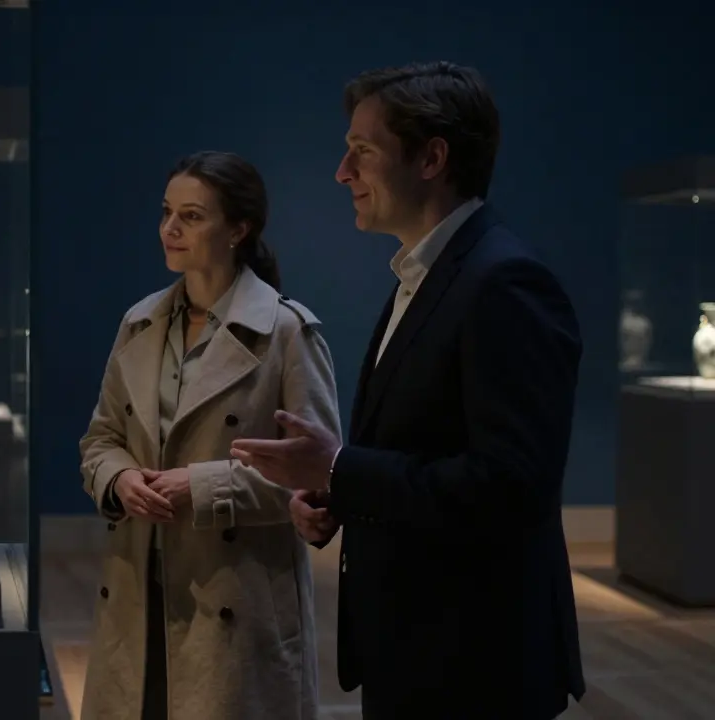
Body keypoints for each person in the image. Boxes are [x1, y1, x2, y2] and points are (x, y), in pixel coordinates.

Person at [230, 62, 586, 719]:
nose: (343, 172)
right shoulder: (428, 274)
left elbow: (511, 488)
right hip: (421, 651)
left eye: (362, 151)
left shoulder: (503, 283)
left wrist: (339, 469)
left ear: (431, 158)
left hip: (475, 665)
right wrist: (339, 491)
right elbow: (429, 449)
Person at [78, 150, 342, 720]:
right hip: (137, 591)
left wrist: (199, 488)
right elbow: (100, 440)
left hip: (237, 605)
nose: (169, 229)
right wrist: (119, 480)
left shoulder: (287, 333)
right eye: (166, 212)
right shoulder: (139, 323)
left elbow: (319, 478)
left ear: (238, 229)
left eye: (192, 216)